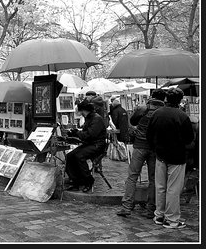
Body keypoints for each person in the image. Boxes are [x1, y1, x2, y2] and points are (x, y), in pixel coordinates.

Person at [147, 88, 194, 229]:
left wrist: (156, 149)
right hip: (177, 156)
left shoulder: (157, 113)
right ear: (179, 100)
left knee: (160, 187)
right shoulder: (182, 116)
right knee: (173, 188)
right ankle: (171, 219)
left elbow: (149, 135)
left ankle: (159, 216)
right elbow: (189, 139)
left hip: (160, 155)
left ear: (166, 99)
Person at [116, 89, 166, 218]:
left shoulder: (143, 108)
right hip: (155, 148)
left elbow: (132, 121)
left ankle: (126, 206)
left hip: (139, 145)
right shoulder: (164, 111)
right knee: (154, 179)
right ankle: (151, 209)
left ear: (151, 96)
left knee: (132, 176)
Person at [64, 99, 107, 192]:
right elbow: (85, 133)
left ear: (84, 110)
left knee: (79, 156)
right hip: (90, 143)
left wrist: (77, 133)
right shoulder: (89, 118)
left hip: (97, 145)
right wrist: (75, 134)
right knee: (69, 156)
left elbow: (90, 135)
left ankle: (88, 180)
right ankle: (76, 181)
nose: (81, 114)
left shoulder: (96, 118)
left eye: (81, 112)